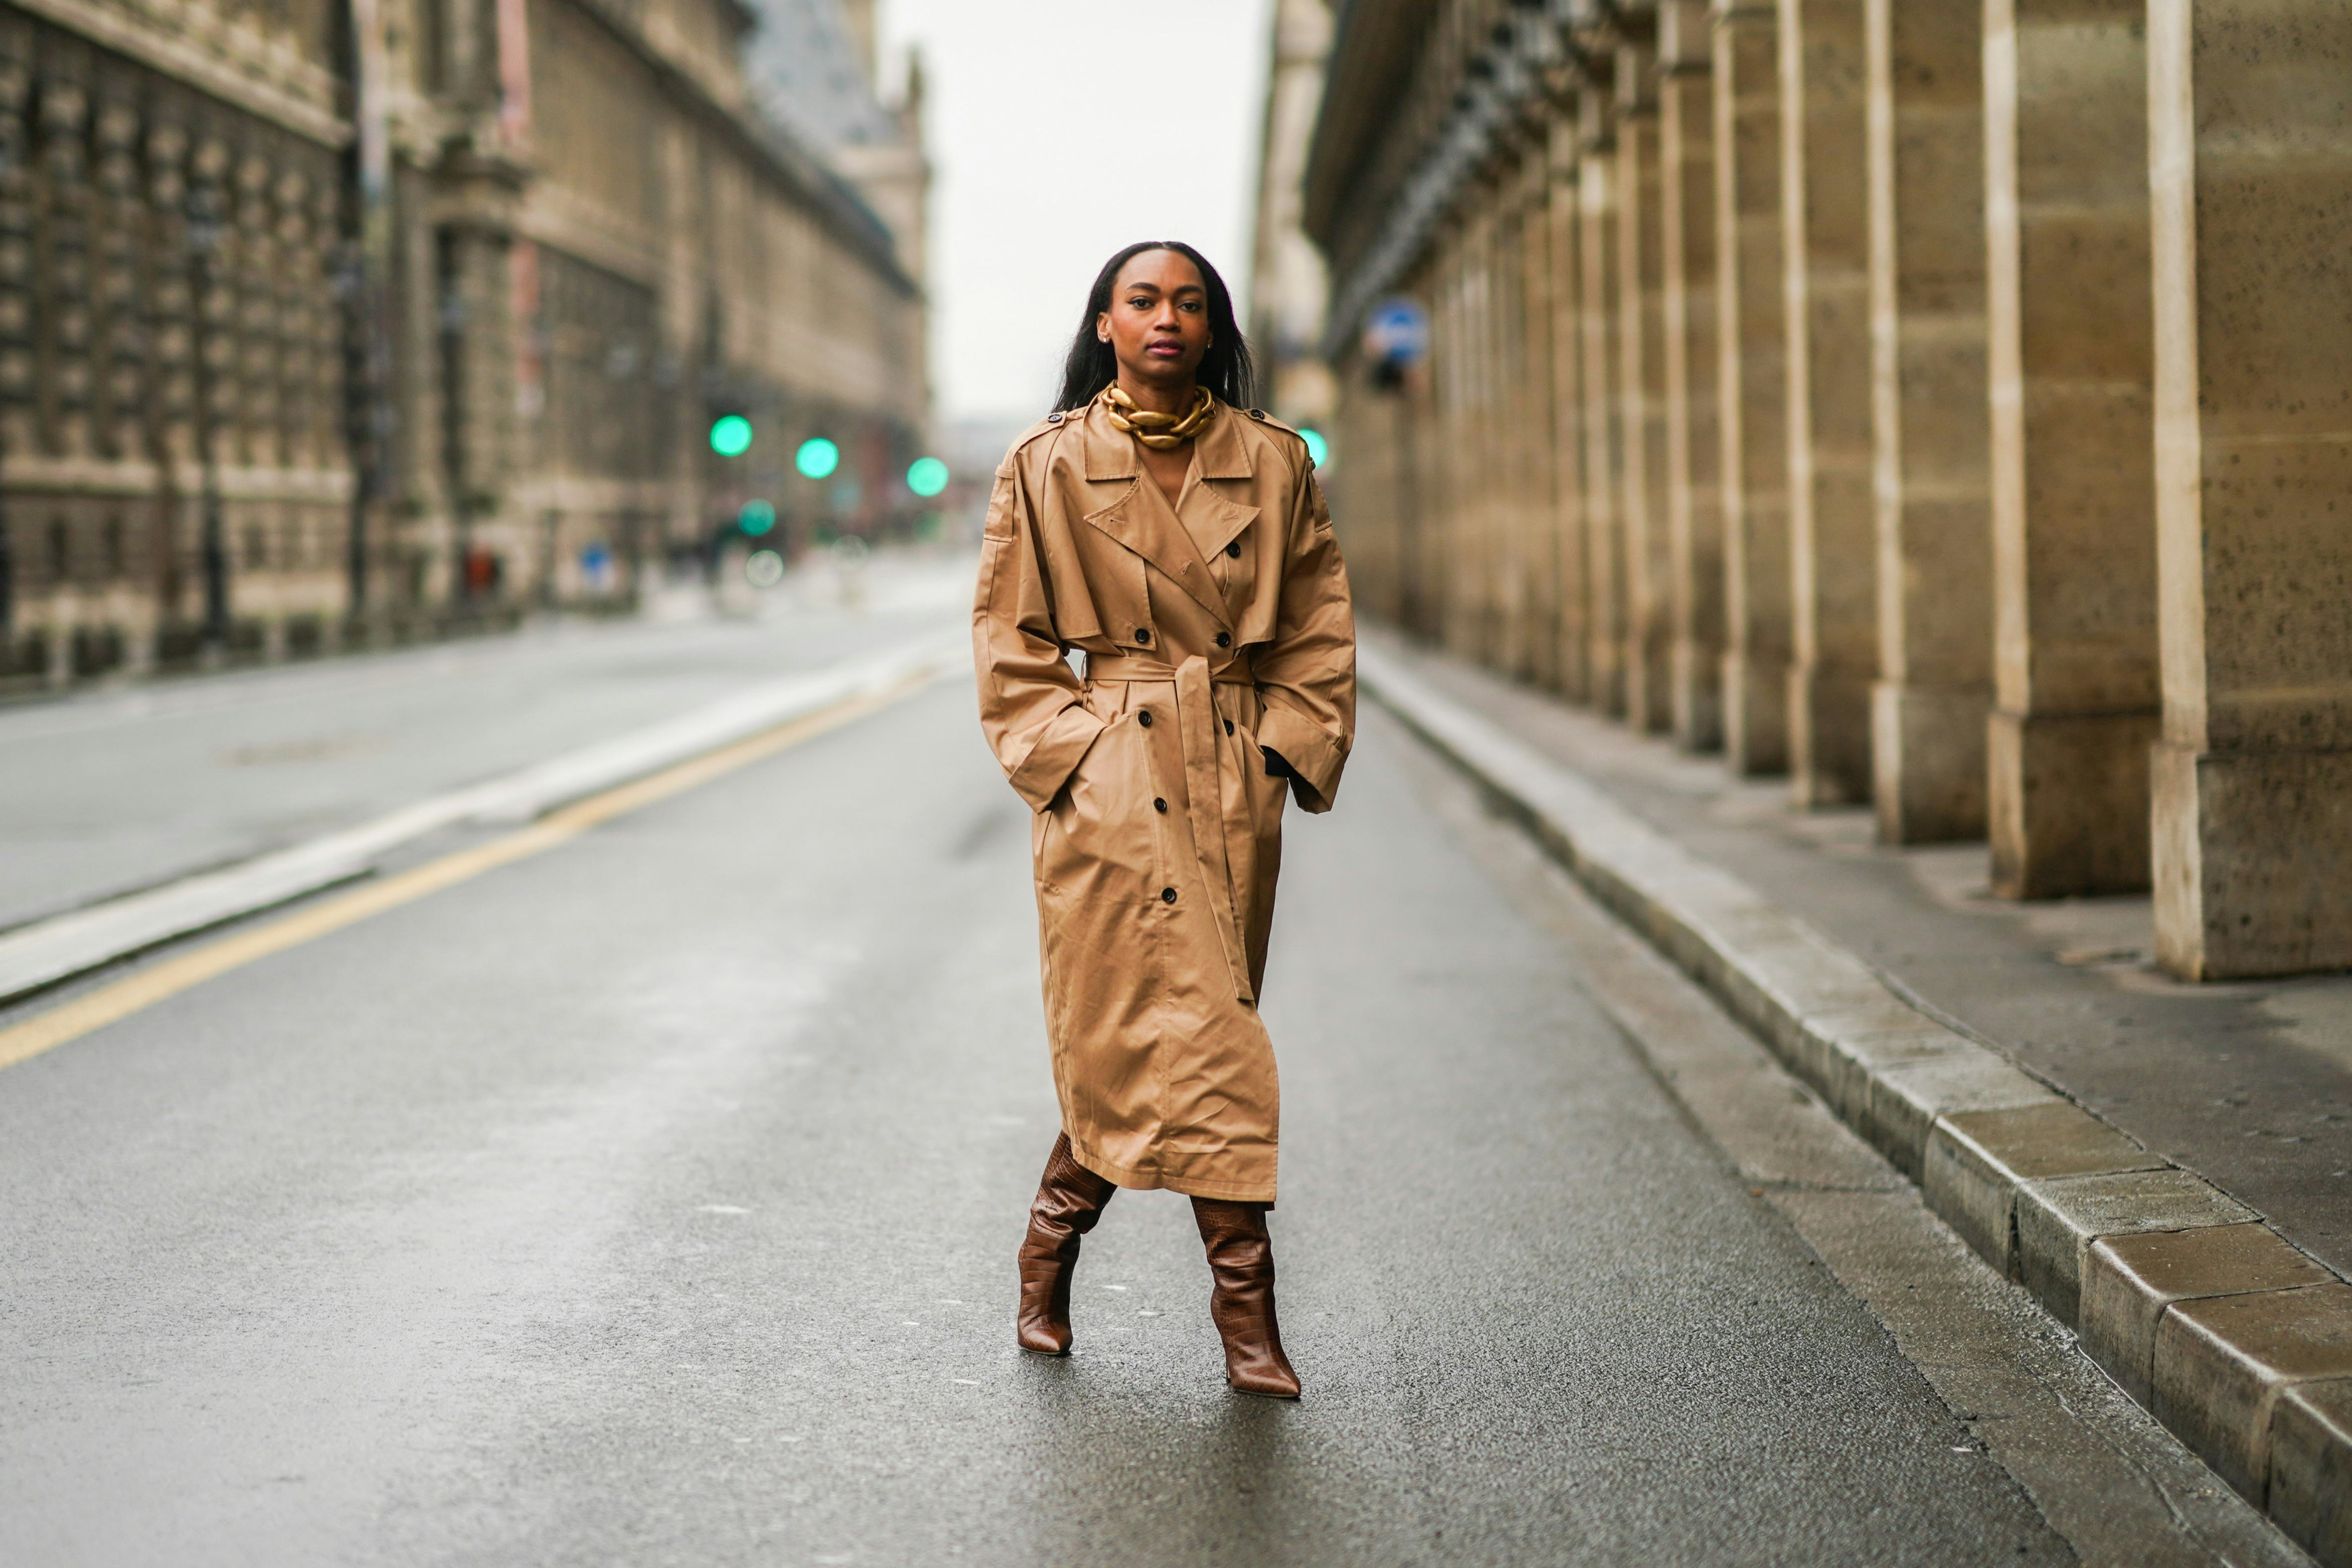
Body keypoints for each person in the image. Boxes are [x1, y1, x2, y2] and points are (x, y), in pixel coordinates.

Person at [971, 241, 1356, 1399]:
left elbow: (1316, 622)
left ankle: (1049, 1249)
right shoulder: (1045, 464)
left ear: (1213, 325)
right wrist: (1074, 761)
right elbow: (1008, 640)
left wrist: (1285, 747)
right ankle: (1248, 1322)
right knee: (1169, 1035)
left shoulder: (1274, 461)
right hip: (1108, 779)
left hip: (1227, 770)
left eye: (1189, 303)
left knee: (1183, 1027)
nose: (1166, 320)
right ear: (1102, 324)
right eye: (1141, 301)